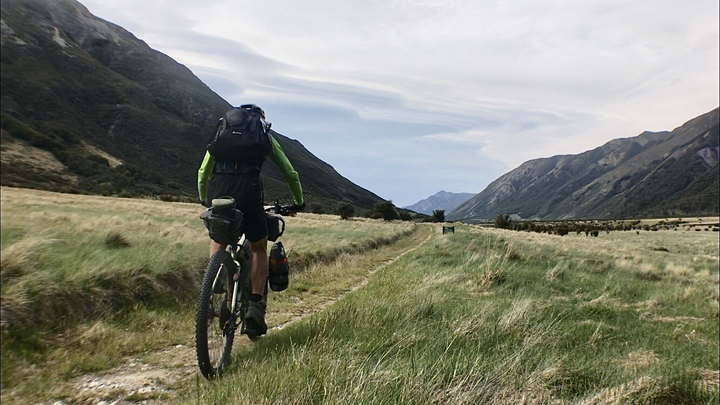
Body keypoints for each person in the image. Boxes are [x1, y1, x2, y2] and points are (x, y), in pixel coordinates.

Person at [198, 104, 304, 337]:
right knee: (258, 248)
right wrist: (299, 202)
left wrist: (204, 198)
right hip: (249, 188)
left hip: (219, 188)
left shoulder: (222, 130)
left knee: (219, 235)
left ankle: (214, 279)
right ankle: (256, 305)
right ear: (259, 120)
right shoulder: (262, 132)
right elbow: (290, 172)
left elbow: (203, 170)